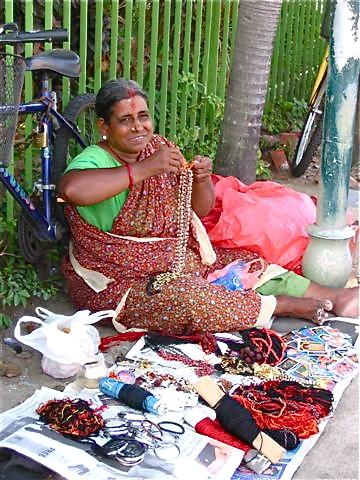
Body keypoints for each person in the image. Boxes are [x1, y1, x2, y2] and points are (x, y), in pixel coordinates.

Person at [58, 79, 358, 335]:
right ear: (104, 126)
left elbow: (198, 211)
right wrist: (144, 170)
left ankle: (333, 296)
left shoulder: (157, 149)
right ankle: (280, 305)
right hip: (117, 281)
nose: (138, 127)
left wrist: (201, 181)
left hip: (175, 261)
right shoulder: (95, 159)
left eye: (143, 116)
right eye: (125, 120)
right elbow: (71, 189)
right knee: (186, 299)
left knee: (244, 261)